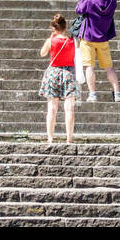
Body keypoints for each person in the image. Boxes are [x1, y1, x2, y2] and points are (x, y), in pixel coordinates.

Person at [74, 0, 120, 103]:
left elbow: (79, 9)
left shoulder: (90, 1)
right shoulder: (112, 0)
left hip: (88, 38)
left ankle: (92, 94)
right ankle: (117, 93)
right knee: (109, 67)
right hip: (103, 38)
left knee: (90, 67)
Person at [38, 13, 77, 145]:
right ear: (65, 27)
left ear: (54, 29)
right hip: (68, 73)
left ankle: (50, 138)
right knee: (69, 108)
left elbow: (42, 53)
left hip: (53, 73)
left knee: (52, 108)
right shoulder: (72, 41)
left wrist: (50, 38)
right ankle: (69, 138)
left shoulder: (51, 41)